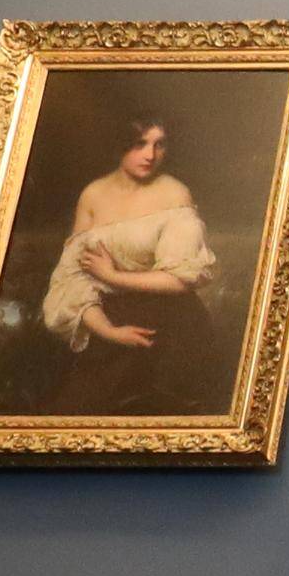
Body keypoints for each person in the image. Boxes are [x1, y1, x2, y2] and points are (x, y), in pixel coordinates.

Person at [44, 117, 221, 410]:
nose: (150, 155)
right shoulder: (93, 195)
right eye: (141, 144)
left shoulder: (174, 194)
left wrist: (112, 276)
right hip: (108, 323)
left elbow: (180, 279)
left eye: (159, 145)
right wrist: (110, 332)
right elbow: (72, 280)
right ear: (121, 145)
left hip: (171, 325)